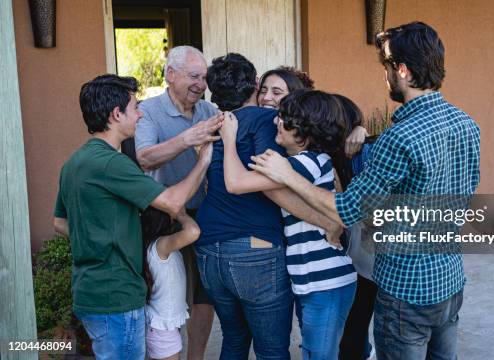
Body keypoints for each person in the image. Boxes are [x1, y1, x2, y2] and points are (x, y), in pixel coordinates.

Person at [250, 21, 481, 360]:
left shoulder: (398, 138)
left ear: (402, 70)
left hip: (407, 290)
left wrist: (288, 175)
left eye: (386, 67)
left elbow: (348, 210)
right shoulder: (466, 123)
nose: (384, 76)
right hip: (450, 279)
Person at [53, 74, 212, 360]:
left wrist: (101, 239)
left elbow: (60, 223)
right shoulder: (112, 164)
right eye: (135, 107)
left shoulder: (74, 163)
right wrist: (204, 160)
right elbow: (173, 203)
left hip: (89, 292)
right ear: (116, 114)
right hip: (117, 296)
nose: (140, 115)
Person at [221, 90, 358, 359]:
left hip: (325, 283)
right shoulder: (311, 161)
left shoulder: (303, 162)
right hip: (316, 282)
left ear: (304, 132)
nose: (276, 121)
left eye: (284, 118)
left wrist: (228, 141)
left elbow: (235, 183)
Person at [194, 53, 294, 359]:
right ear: (254, 84)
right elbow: (273, 176)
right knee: (272, 349)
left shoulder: (215, 124)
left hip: (208, 247)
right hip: (255, 247)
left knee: (235, 338)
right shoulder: (265, 120)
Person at [135, 45, 222, 360]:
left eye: (204, 77)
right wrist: (188, 138)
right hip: (164, 216)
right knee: (165, 296)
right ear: (170, 75)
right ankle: (164, 351)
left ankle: (194, 357)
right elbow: (144, 157)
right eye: (194, 76)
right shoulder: (149, 111)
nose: (201, 84)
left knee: (204, 295)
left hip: (204, 213)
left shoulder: (209, 110)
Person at [334, 94, 378, 360]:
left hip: (362, 250)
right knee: (353, 318)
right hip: (345, 248)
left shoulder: (366, 150)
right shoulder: (319, 150)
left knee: (356, 318)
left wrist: (364, 132)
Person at [141, 204, 207, 360]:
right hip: (163, 331)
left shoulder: (154, 245)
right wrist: (182, 214)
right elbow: (193, 232)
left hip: (163, 329)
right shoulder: (161, 245)